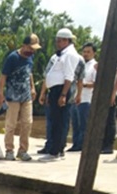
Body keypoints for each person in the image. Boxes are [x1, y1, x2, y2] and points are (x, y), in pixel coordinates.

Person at [39, 27, 81, 160]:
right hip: (55, 89)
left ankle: (56, 151)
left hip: (61, 89)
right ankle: (55, 149)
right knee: (56, 120)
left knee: (60, 121)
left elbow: (69, 76)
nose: (57, 43)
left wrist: (63, 95)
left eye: (60, 41)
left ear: (66, 41)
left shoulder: (70, 55)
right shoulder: (61, 54)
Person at [0, 34, 40, 161]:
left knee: (27, 123)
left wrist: (32, 87)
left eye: (34, 49)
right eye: (30, 48)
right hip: (13, 97)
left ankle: (22, 150)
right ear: (24, 45)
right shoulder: (13, 58)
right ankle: (9, 150)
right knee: (11, 124)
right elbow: (3, 76)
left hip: (26, 96)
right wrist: (0, 93)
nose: (32, 51)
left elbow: (29, 72)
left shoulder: (30, 56)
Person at [69, 42, 97, 152]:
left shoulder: (95, 66)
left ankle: (83, 146)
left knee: (83, 125)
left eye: (88, 52)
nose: (85, 54)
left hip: (86, 99)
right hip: (74, 98)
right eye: (84, 52)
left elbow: (96, 83)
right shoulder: (79, 64)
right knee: (75, 124)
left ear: (94, 53)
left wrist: (82, 85)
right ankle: (75, 145)